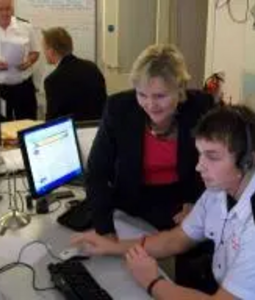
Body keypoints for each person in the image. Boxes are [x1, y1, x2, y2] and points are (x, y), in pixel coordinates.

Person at [72, 105, 255, 299]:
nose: (199, 166)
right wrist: (111, 246)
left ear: (247, 161)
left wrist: (153, 282)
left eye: (212, 157)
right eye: (200, 154)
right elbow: (176, 239)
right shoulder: (222, 188)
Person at [84, 44, 214, 287]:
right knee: (122, 275)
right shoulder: (119, 108)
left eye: (160, 96)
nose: (150, 104)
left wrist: (196, 201)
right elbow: (97, 172)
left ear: (180, 89)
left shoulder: (201, 108)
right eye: (142, 95)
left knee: (196, 260)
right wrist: (105, 230)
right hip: (134, 199)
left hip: (181, 197)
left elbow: (213, 164)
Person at [42, 27, 107, 121]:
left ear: (51, 51)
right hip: (98, 128)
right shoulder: (92, 67)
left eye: (44, 49)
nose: (44, 53)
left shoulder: (52, 80)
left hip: (74, 132)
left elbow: (52, 120)